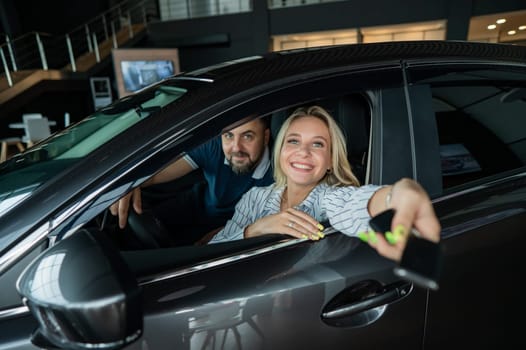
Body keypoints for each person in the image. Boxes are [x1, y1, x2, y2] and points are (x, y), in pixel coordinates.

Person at [209, 105, 440, 262]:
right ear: (280, 150)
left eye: (317, 144)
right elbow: (214, 251)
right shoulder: (254, 197)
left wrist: (396, 195)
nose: (303, 152)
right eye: (293, 141)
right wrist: (256, 229)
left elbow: (357, 204)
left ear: (330, 160)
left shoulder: (329, 199)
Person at [110, 116, 274, 246]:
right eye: (228, 135)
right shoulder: (213, 146)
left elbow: (273, 220)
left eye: (247, 136)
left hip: (238, 230)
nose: (236, 147)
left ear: (265, 137)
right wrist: (127, 184)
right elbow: (152, 175)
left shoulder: (281, 170)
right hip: (198, 207)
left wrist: (229, 232)